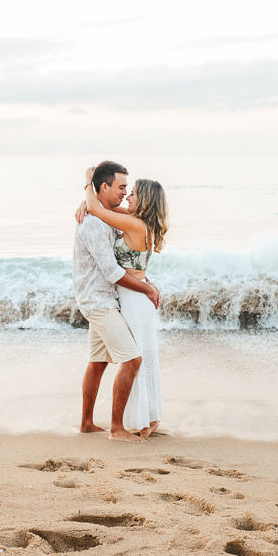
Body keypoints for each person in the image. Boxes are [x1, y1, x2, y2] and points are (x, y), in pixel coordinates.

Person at [76, 166, 169, 439]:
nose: (126, 194)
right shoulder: (122, 220)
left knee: (117, 360)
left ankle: (108, 424)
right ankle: (115, 425)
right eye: (122, 188)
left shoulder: (129, 222)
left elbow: (118, 270)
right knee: (132, 359)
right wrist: (87, 197)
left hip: (121, 299)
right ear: (104, 187)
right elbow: (115, 269)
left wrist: (87, 189)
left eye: (132, 191)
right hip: (102, 300)